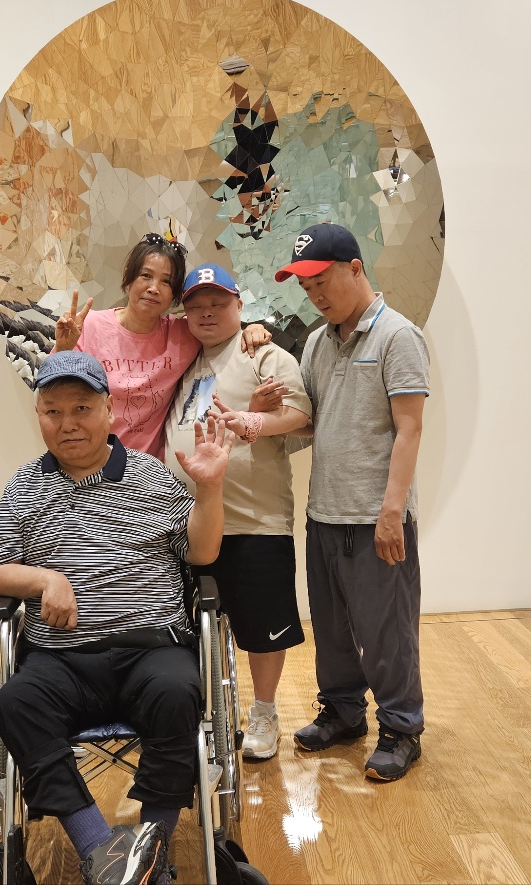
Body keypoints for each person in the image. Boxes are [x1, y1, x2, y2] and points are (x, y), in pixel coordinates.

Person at [0, 350, 233, 885]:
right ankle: (105, 852)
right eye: (53, 412)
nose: (67, 423)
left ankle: (153, 845)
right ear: (39, 416)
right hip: (61, 658)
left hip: (151, 648)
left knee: (177, 693)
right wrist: (46, 580)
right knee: (16, 702)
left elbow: (202, 552)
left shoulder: (151, 476)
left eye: (81, 408)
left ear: (108, 411)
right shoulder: (24, 485)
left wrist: (210, 489)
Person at [276, 223, 430, 782]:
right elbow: (313, 420)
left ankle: (402, 728)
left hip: (375, 517)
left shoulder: (398, 336)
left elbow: (409, 428)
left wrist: (392, 511)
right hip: (325, 513)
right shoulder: (319, 342)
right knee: (334, 630)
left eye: (321, 281)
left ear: (355, 268)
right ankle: (342, 712)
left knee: (387, 631)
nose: (314, 295)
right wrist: (268, 414)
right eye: (305, 287)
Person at [163, 264, 311, 760]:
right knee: (189, 626)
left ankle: (264, 712)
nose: (206, 313)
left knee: (261, 627)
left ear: (239, 306)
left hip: (253, 518)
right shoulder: (183, 361)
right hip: (186, 521)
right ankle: (199, 713)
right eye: (196, 306)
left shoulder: (264, 353)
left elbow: (301, 415)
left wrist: (251, 418)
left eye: (218, 303)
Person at [52, 234, 272, 460]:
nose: (154, 288)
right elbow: (50, 396)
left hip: (148, 470)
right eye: (146, 276)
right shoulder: (90, 326)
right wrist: (62, 348)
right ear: (129, 278)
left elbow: (217, 326)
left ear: (174, 294)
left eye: (166, 282)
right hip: (87, 461)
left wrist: (250, 328)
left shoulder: (182, 335)